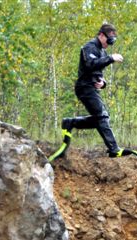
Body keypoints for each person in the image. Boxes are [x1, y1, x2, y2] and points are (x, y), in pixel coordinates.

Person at [49, 23, 124, 161]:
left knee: (99, 118)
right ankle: (114, 149)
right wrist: (111, 58)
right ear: (102, 35)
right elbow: (90, 64)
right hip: (84, 87)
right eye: (109, 40)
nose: (110, 44)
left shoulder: (102, 51)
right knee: (102, 116)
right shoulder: (89, 46)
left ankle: (71, 123)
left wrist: (103, 83)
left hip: (91, 87)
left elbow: (97, 72)